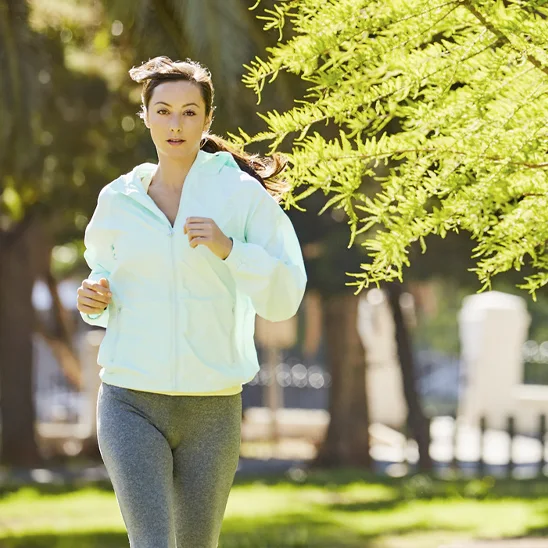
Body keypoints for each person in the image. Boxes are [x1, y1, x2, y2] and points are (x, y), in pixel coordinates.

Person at [76, 56, 307, 548]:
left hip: (212, 408)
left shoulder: (240, 194)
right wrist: (92, 298)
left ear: (207, 119)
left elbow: (286, 293)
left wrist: (231, 249)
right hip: (129, 399)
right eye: (162, 111)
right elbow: (103, 279)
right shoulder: (118, 200)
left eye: (187, 112)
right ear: (145, 117)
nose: (175, 124)